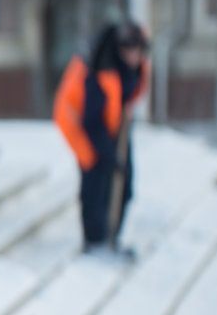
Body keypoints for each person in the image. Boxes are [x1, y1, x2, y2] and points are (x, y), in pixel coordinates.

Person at [53, 20, 151, 258]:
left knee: (123, 182)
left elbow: (130, 94)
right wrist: (109, 156)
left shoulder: (136, 67)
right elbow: (92, 121)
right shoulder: (100, 66)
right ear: (120, 49)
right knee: (95, 176)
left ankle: (111, 237)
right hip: (78, 121)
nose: (135, 56)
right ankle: (95, 241)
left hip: (111, 124)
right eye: (130, 50)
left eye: (139, 51)